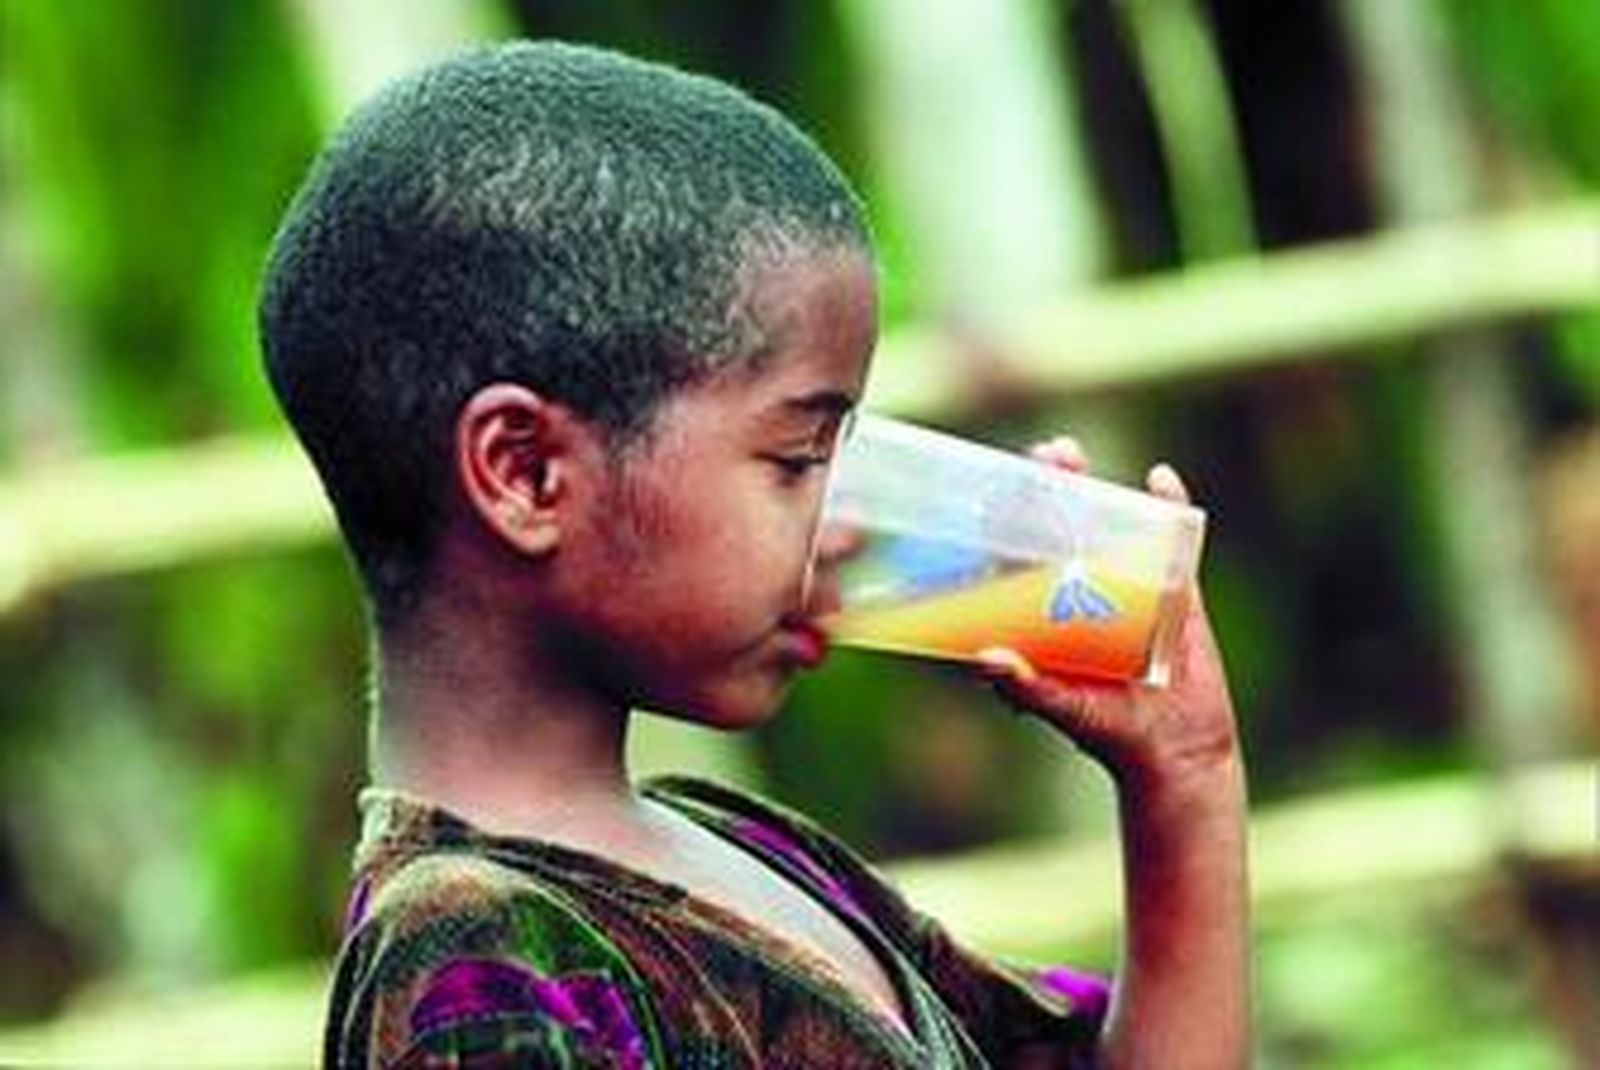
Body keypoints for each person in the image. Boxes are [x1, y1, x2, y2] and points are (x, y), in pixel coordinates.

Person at [259, 39, 1249, 1069]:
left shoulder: (744, 851)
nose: (848, 523)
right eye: (795, 457)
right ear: (527, 472)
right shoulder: (472, 969)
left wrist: (1183, 778)